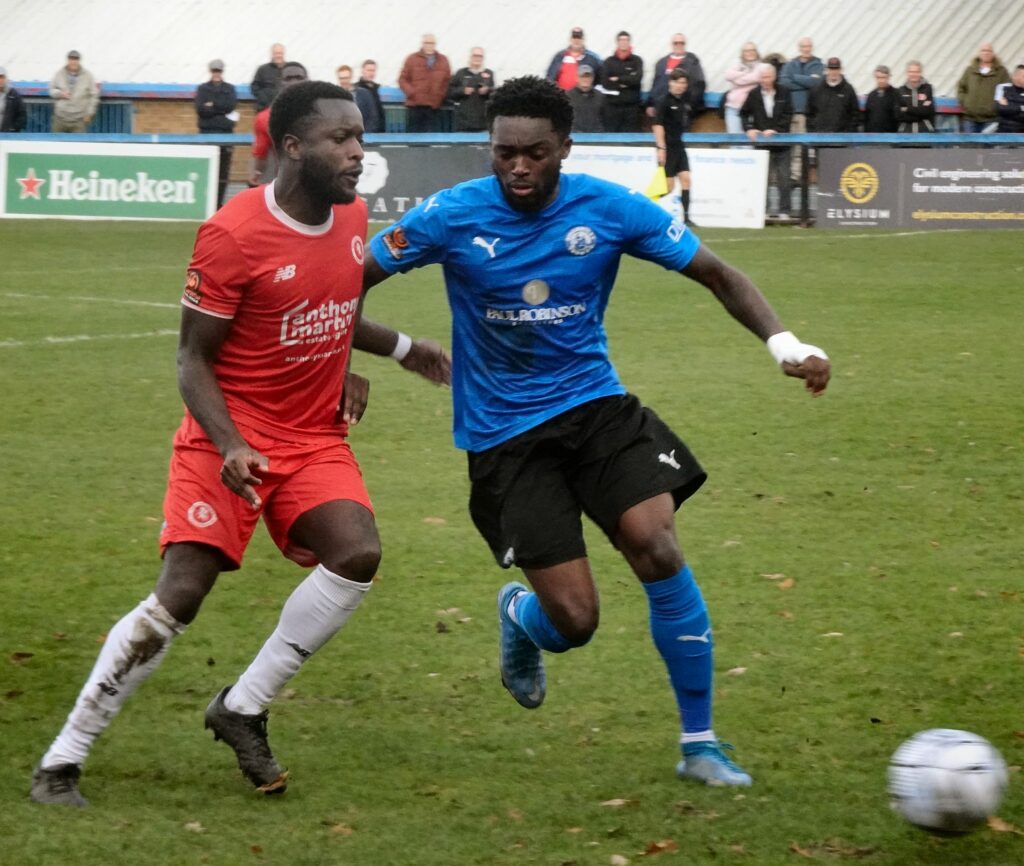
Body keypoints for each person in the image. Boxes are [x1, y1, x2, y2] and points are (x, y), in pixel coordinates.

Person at [360, 76, 830, 788]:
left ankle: (700, 744)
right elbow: (343, 284)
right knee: (576, 622)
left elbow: (717, 273)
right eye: (505, 153)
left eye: (535, 153)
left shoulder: (608, 208)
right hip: (504, 436)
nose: (519, 167)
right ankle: (523, 616)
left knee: (657, 545)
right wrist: (380, 352)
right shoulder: (449, 215)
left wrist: (785, 344)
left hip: (596, 409)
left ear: (565, 148)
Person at [29, 80, 450, 808]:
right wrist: (228, 444)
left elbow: (332, 307)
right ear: (292, 147)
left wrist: (401, 351)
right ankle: (63, 758)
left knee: (356, 555)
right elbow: (192, 357)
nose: (358, 152)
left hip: (312, 436)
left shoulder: (353, 217)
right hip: (226, 435)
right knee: (182, 593)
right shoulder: (233, 234)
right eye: (340, 139)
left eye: (360, 136)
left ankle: (242, 706)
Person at [741, 64, 794, 218]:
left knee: (784, 178)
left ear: (774, 77)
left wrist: (776, 129)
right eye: (762, 77)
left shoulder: (784, 92)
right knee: (762, 179)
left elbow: (789, 113)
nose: (765, 80)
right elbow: (744, 113)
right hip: (762, 144)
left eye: (768, 77)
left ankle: (785, 210)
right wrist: (749, 128)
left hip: (782, 143)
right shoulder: (753, 94)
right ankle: (764, 210)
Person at [249, 61, 308, 186]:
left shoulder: (323, 115)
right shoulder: (265, 118)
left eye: (298, 78)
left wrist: (256, 174)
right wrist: (257, 172)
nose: (294, 82)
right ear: (279, 83)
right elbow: (261, 151)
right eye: (289, 78)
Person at [195, 59, 239, 209]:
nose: (216, 73)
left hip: (225, 136)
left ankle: (219, 204)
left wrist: (212, 106)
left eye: (218, 71)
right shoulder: (202, 88)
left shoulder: (230, 89)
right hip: (207, 135)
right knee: (207, 172)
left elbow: (230, 106)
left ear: (222, 71)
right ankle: (206, 203)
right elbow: (200, 110)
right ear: (210, 71)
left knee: (223, 173)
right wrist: (221, 110)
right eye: (214, 70)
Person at [652, 69, 694, 223]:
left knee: (686, 179)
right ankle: (647, 201)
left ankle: (687, 219)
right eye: (677, 82)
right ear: (671, 82)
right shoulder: (663, 101)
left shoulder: (683, 101)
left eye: (683, 83)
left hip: (679, 146)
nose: (680, 86)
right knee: (668, 187)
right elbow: (657, 125)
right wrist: (661, 148)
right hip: (668, 148)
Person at [779, 37, 823, 179]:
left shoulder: (819, 65)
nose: (806, 49)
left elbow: (817, 83)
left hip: (812, 112)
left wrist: (794, 77)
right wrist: (806, 81)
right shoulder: (790, 64)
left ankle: (806, 177)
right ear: (799, 48)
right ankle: (795, 177)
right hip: (793, 112)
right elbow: (783, 82)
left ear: (812, 48)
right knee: (793, 146)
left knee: (808, 146)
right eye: (803, 46)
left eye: (808, 46)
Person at [398, 34, 451, 133]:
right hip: (414, 106)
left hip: (434, 107)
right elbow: (402, 79)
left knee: (431, 137)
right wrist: (412, 92)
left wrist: (440, 95)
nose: (429, 45)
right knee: (413, 137)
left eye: (432, 43)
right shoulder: (412, 59)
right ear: (422, 44)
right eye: (427, 43)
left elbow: (448, 81)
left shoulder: (443, 60)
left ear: (435, 44)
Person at [647, 33, 706, 120]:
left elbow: (699, 85)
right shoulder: (661, 62)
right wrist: (650, 104)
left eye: (682, 43)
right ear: (671, 44)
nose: (679, 45)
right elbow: (655, 84)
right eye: (676, 43)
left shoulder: (692, 62)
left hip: (681, 109)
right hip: (661, 107)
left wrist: (690, 105)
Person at [956, 42, 1010, 133]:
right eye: (983, 50)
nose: (986, 53)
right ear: (979, 53)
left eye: (989, 51)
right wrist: (965, 102)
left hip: (991, 119)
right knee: (969, 142)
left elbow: (1007, 90)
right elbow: (961, 88)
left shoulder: (1001, 72)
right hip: (970, 118)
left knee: (988, 143)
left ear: (993, 53)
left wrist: (998, 105)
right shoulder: (970, 70)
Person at [601, 31, 644, 132]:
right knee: (611, 136)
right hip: (612, 108)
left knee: (630, 137)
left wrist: (618, 79)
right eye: (621, 40)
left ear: (629, 42)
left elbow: (637, 79)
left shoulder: (637, 60)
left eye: (626, 40)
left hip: (631, 108)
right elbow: (605, 83)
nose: (624, 42)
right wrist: (626, 83)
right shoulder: (609, 61)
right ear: (617, 42)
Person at [49, 50, 99, 133]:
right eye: (71, 59)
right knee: (56, 141)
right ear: (67, 60)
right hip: (60, 118)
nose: (74, 62)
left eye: (76, 59)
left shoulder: (88, 76)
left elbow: (94, 96)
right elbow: (51, 90)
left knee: (79, 142)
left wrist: (89, 113)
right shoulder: (59, 74)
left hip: (79, 120)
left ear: (79, 61)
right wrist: (60, 94)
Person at [447, 48, 494, 132]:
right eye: (475, 56)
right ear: (470, 57)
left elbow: (494, 95)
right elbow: (450, 92)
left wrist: (487, 90)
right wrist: (462, 90)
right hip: (463, 122)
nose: (477, 58)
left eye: (480, 56)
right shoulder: (461, 73)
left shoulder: (489, 73)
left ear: (483, 58)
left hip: (483, 122)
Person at [807, 57, 860, 132]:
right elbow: (809, 113)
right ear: (826, 70)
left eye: (836, 69)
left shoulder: (848, 89)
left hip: (841, 136)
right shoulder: (816, 89)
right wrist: (813, 132)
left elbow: (854, 114)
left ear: (841, 70)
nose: (834, 72)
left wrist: (848, 133)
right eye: (831, 69)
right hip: (820, 136)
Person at [546, 26, 603, 91]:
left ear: (583, 40)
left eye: (579, 38)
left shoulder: (592, 58)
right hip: (562, 95)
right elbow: (550, 77)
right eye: (574, 38)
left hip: (583, 95)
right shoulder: (559, 56)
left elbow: (601, 77)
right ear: (570, 39)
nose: (576, 41)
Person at [723, 42, 761, 134]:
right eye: (747, 51)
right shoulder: (738, 65)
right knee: (734, 138)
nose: (750, 53)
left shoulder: (761, 66)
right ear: (742, 53)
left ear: (756, 52)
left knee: (750, 139)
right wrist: (746, 73)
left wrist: (737, 79)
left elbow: (755, 77)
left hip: (751, 109)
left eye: (752, 50)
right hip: (733, 108)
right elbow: (727, 75)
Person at [897, 61, 936, 134]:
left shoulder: (928, 89)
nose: (913, 74)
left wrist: (907, 109)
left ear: (921, 73)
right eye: (911, 72)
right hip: (905, 132)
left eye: (916, 72)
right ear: (907, 73)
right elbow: (900, 115)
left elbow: (926, 111)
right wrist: (920, 114)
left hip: (925, 132)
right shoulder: (900, 91)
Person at [863, 65, 900, 133]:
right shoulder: (871, 95)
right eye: (878, 77)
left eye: (883, 77)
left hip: (890, 135)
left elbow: (899, 117)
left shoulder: (896, 94)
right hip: (873, 135)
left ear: (888, 77)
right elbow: (866, 117)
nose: (881, 80)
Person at [567, 64, 604, 132]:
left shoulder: (600, 96)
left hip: (596, 135)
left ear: (592, 78)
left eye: (588, 77)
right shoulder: (567, 96)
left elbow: (605, 117)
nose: (585, 79)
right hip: (574, 134)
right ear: (576, 78)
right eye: (582, 77)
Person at [251, 43, 287, 112]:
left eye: (280, 53)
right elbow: (254, 87)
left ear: (284, 54)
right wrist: (263, 98)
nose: (278, 55)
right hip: (265, 108)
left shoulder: (289, 69)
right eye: (276, 53)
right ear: (272, 54)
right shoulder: (262, 69)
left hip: (285, 109)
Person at [354, 60, 385, 133]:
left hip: (378, 129)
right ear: (362, 71)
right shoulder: (356, 89)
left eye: (373, 70)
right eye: (369, 70)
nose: (371, 73)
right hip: (364, 130)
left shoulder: (376, 88)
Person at [995, 64, 1024, 134]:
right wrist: (1021, 107)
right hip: (1004, 131)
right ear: (1016, 77)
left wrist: (1009, 106)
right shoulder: (1003, 88)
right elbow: (1000, 109)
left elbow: (1006, 110)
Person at [0, 66, 28, 132]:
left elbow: (22, 114)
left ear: (6, 78)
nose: (0, 80)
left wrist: (14, 128)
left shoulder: (13, 94)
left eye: (2, 77)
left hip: (7, 134)